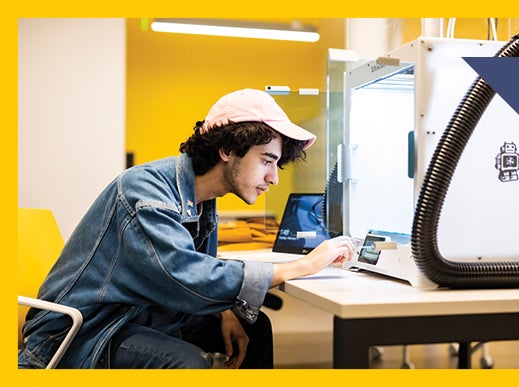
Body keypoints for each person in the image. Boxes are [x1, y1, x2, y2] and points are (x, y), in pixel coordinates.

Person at [18, 88, 356, 369]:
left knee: (254, 326)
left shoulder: (202, 196)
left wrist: (225, 310)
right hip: (84, 333)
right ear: (227, 149)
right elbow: (184, 274)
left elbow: (186, 275)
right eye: (267, 160)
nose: (274, 176)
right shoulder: (145, 191)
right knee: (188, 363)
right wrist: (303, 266)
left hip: (138, 317)